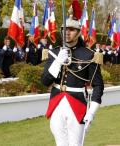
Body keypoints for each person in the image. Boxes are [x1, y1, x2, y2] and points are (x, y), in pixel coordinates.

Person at [41, 9, 104, 146]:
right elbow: (45, 81)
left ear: (79, 32)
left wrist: (92, 112)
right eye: (64, 29)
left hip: (77, 103)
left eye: (72, 30)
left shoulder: (89, 55)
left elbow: (98, 85)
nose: (67, 33)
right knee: (60, 143)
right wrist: (58, 62)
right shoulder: (54, 52)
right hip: (57, 102)